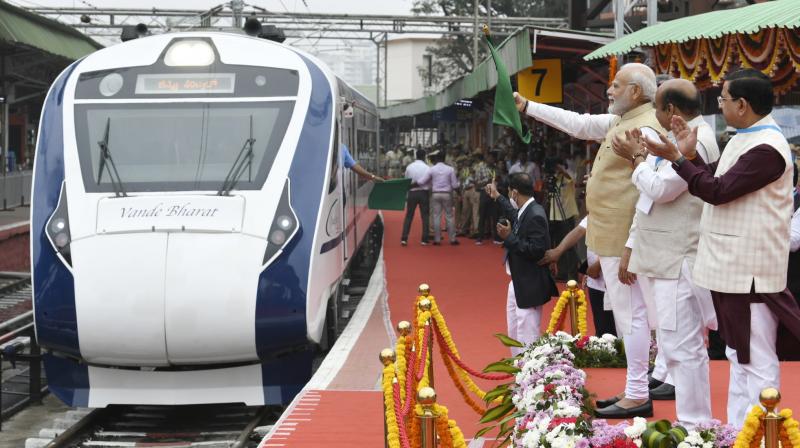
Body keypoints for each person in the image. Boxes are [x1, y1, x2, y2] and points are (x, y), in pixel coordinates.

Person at [643, 68, 800, 428]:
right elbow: (714, 178)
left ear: (742, 105)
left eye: (723, 99)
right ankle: (738, 431)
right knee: (738, 354)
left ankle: (761, 433)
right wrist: (688, 158)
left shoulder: (767, 147)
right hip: (733, 267)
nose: (720, 105)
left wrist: (678, 160)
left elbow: (717, 191)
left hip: (751, 271)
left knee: (756, 358)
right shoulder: (746, 137)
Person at [515, 62, 664, 418]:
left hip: (622, 237)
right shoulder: (621, 121)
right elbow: (579, 123)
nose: (609, 91)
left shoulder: (645, 128)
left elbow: (649, 194)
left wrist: (631, 243)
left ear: (635, 92)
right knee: (633, 316)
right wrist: (528, 107)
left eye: (615, 85)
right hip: (611, 233)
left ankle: (638, 393)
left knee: (633, 317)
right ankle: (636, 389)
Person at [611, 78, 719, 429]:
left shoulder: (697, 141)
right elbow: (648, 201)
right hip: (663, 254)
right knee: (676, 347)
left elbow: (660, 190)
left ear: (670, 109)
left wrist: (638, 158)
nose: (654, 115)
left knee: (683, 347)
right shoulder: (680, 137)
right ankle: (693, 423)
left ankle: (694, 425)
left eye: (656, 107)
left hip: (678, 257)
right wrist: (632, 245)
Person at [488, 172, 557, 356]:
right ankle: (519, 374)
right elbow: (514, 214)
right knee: (514, 332)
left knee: (527, 334)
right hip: (518, 280)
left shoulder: (535, 214)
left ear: (515, 193)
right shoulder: (527, 209)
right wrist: (498, 197)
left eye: (509, 192)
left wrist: (509, 238)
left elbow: (536, 251)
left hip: (530, 284)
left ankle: (529, 378)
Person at [539, 215, 617, 337]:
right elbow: (579, 230)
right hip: (595, 283)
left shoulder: (617, 209)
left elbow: (620, 242)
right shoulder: (597, 208)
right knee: (602, 331)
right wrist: (558, 251)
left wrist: (599, 265)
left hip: (613, 283)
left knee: (613, 333)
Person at [418, 151, 460, 245]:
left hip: (435, 194)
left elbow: (422, 181)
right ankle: (452, 239)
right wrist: (459, 192)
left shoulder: (432, 169)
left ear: (436, 159)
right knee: (449, 216)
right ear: (444, 158)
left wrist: (413, 183)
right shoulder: (450, 169)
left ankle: (437, 239)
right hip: (447, 194)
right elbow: (454, 185)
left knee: (436, 216)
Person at [401, 149, 431, 246]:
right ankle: (424, 239)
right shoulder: (427, 168)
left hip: (412, 193)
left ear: (416, 156)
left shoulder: (409, 167)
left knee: (409, 216)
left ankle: (404, 238)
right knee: (425, 216)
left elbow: (406, 180)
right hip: (424, 193)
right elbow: (429, 182)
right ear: (424, 156)